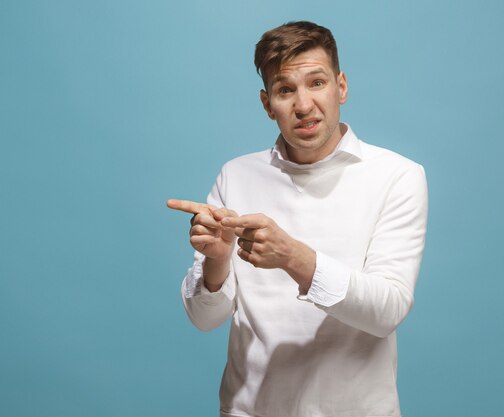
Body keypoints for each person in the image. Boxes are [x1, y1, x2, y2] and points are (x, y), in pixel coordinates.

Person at [167, 21, 428, 417]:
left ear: (341, 86)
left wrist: (292, 257)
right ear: (267, 103)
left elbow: (387, 311)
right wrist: (218, 260)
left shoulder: (397, 176)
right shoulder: (235, 175)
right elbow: (205, 320)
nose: (303, 105)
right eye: (285, 89)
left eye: (317, 83)